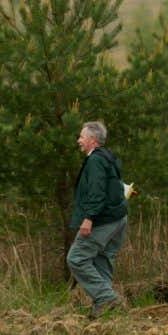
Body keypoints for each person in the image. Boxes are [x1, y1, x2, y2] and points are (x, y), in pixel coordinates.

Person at [67, 121, 128, 317]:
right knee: (102, 259)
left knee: (76, 258)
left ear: (92, 140)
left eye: (82, 137)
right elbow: (113, 184)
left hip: (103, 220)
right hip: (119, 218)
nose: (79, 140)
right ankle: (106, 311)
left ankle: (106, 298)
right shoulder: (108, 157)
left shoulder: (94, 160)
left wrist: (89, 218)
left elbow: (96, 191)